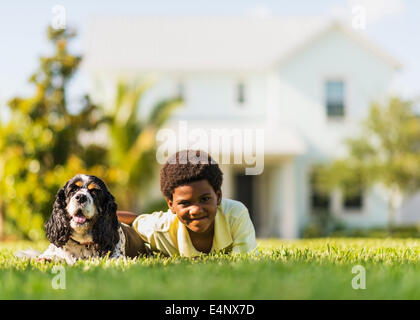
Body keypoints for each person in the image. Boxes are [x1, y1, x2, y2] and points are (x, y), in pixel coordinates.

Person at [118, 149, 257, 257]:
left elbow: (245, 260)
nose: (196, 210)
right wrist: (97, 212)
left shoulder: (235, 215)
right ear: (171, 205)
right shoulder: (161, 227)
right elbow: (135, 221)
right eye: (185, 203)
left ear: (218, 196)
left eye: (204, 199)